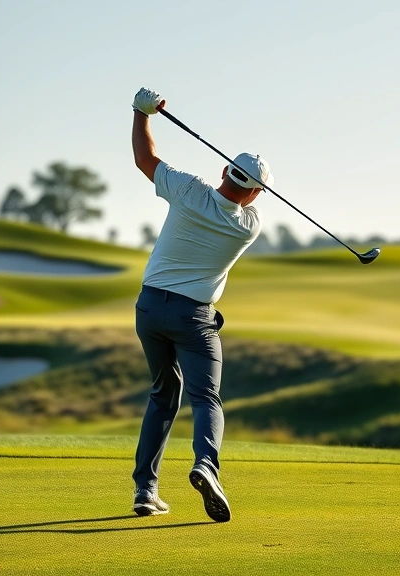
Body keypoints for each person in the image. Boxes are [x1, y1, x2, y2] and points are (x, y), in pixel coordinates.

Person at [129, 87, 271, 522]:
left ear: (224, 170)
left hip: (150, 309)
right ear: (256, 194)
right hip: (194, 319)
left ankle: (145, 491)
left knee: (162, 395)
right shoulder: (249, 226)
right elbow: (240, 199)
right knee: (206, 398)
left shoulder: (188, 190)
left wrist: (142, 113)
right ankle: (205, 466)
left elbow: (144, 159)